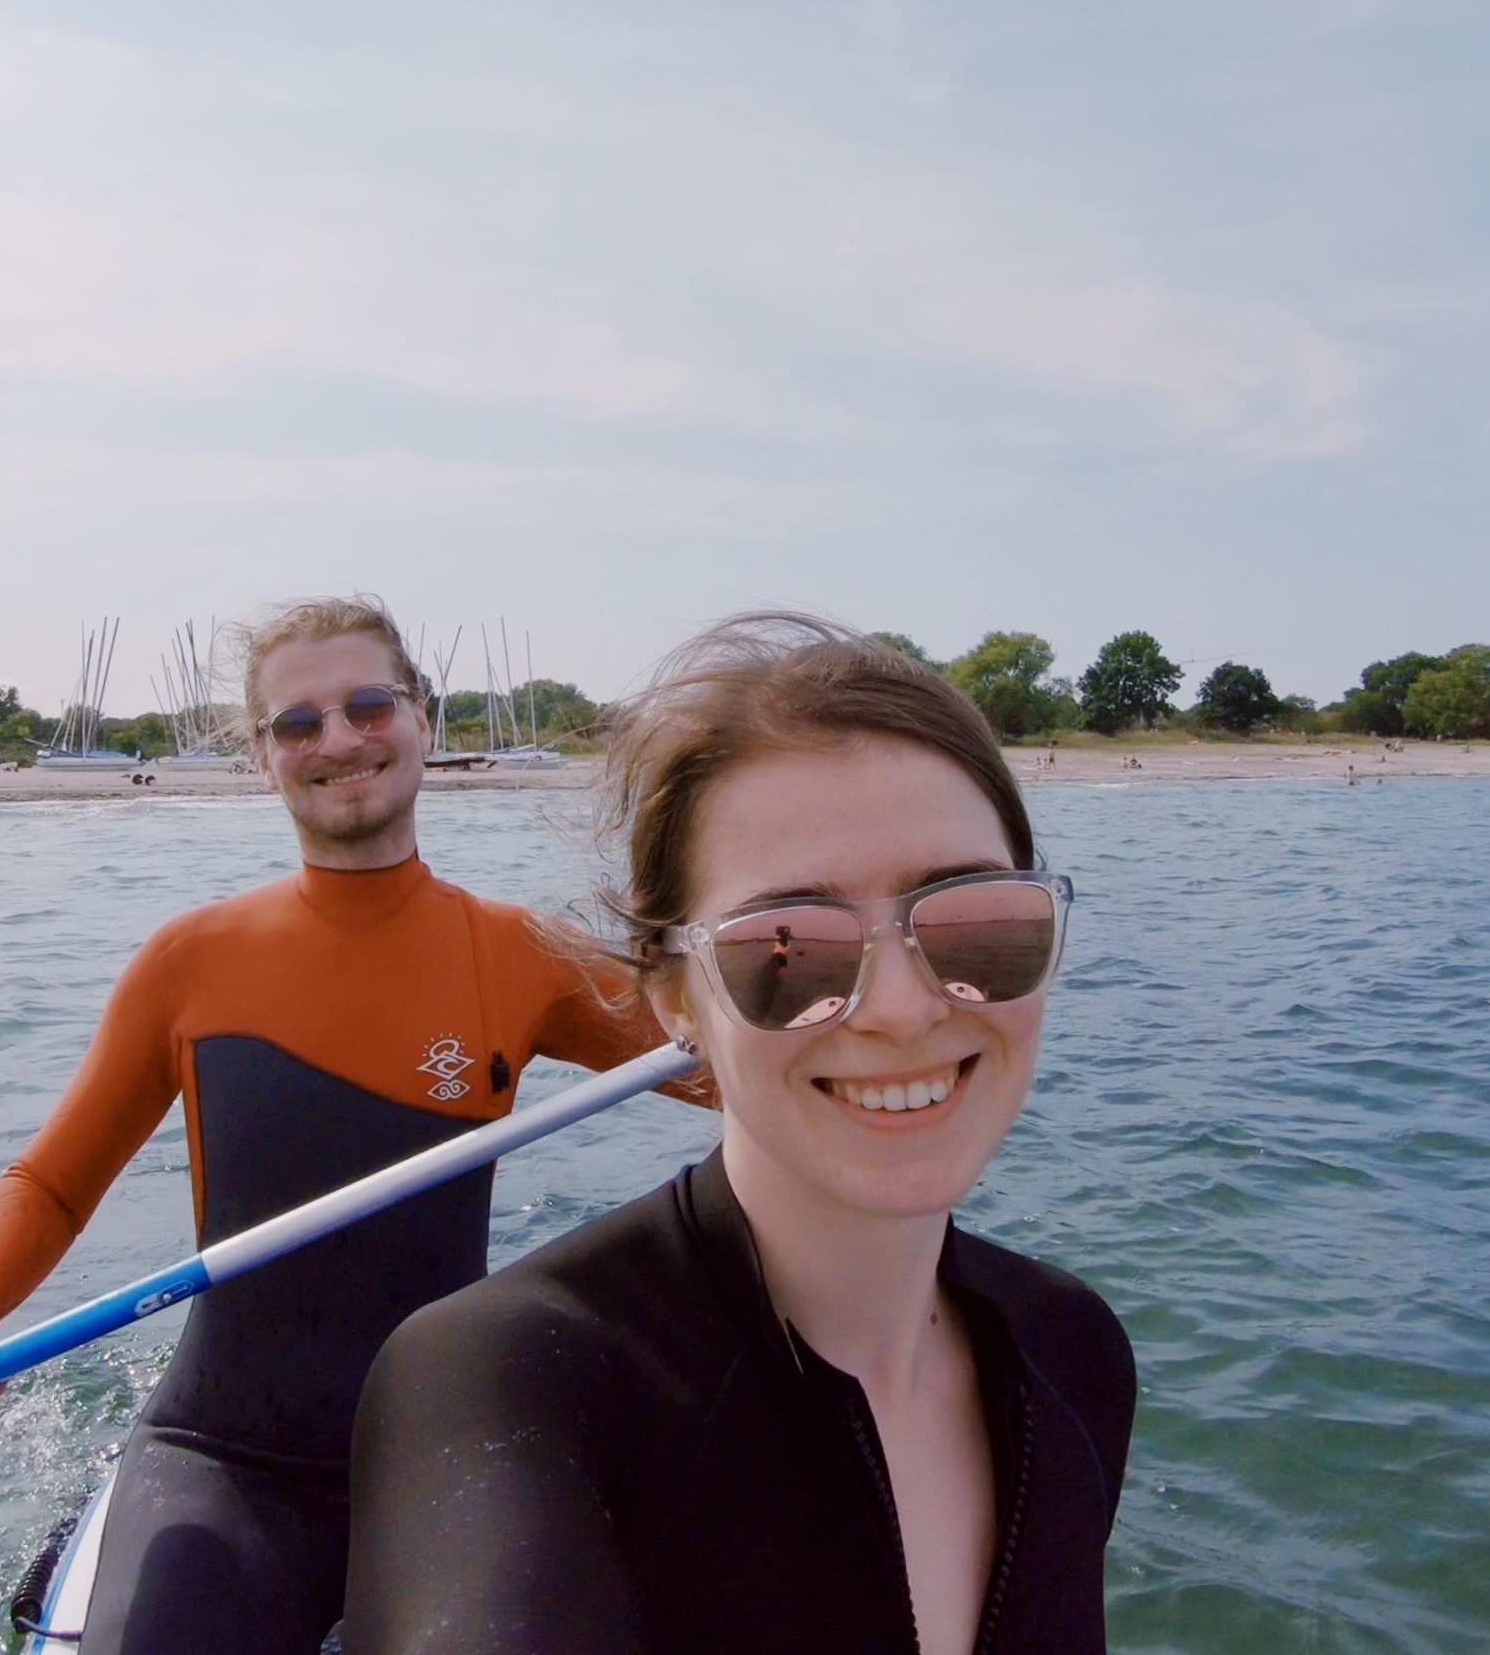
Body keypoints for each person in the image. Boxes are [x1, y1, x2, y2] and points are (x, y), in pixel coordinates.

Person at [0, 596, 688, 1655]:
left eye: (367, 704)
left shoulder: (520, 953)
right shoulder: (189, 962)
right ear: (263, 755)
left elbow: (732, 1064)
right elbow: (53, 1184)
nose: (338, 740)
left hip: (439, 1451)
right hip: (221, 1453)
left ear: (422, 718)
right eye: (299, 723)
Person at [345, 616, 1135, 1655]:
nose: (901, 1008)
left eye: (975, 922)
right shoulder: (509, 1380)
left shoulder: (1073, 1353)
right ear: (674, 997)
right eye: (789, 949)